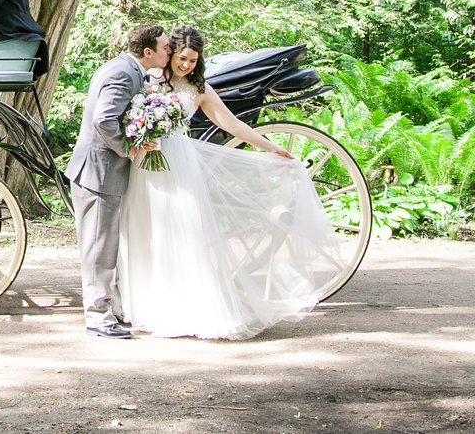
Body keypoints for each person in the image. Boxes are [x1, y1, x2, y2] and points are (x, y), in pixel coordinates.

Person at [118, 25, 347, 340]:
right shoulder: (147, 80)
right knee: (147, 229)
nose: (186, 65)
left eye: (193, 60)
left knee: (183, 230)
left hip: (180, 164)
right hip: (146, 163)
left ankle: (185, 309)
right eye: (182, 58)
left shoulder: (199, 90)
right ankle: (150, 308)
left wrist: (271, 148)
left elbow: (231, 123)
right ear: (170, 53)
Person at [65, 24, 170, 338]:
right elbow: (103, 118)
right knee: (98, 249)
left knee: (107, 246)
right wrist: (128, 148)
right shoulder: (124, 73)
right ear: (148, 51)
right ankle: (98, 318)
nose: (170, 51)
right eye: (165, 47)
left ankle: (112, 310)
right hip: (98, 171)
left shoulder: (127, 68)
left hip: (102, 171)